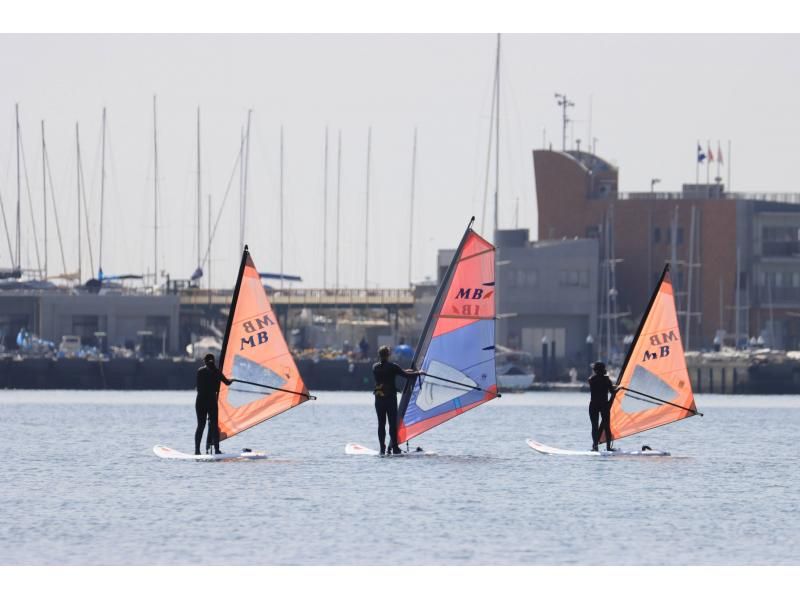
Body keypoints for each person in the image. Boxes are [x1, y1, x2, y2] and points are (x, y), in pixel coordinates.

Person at [372, 345, 422, 455]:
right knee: (392, 424)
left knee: (381, 424)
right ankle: (395, 448)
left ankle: (382, 449)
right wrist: (419, 373)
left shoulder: (375, 367)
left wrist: (406, 371)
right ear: (388, 355)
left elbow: (399, 371)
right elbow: (406, 375)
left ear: (379, 355)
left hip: (379, 400)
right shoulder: (392, 367)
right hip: (390, 399)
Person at [195, 353, 232, 455]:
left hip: (203, 401)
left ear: (205, 361)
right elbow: (227, 383)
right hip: (207, 401)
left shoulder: (202, 371)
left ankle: (199, 451)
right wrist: (230, 380)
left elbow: (226, 382)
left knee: (204, 425)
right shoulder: (215, 372)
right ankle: (213, 450)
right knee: (209, 425)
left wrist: (228, 380)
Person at [588, 361, 617, 452]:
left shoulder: (591, 380)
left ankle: (595, 447)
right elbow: (612, 391)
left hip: (593, 405)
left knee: (594, 427)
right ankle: (608, 447)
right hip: (604, 405)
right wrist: (618, 388)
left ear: (595, 370)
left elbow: (599, 384)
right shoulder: (607, 380)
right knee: (606, 426)